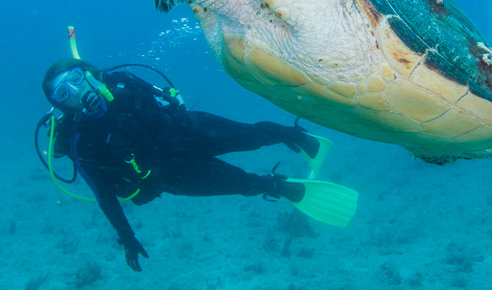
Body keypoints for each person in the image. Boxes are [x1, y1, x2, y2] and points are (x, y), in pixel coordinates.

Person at [37, 58, 356, 272]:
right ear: (61, 105)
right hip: (172, 174)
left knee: (252, 135)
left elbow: (162, 102)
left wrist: (119, 102)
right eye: (64, 93)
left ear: (87, 73)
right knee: (243, 184)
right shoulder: (82, 141)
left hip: (190, 132)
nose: (76, 91)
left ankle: (294, 135)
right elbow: (105, 195)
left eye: (76, 79)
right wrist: (127, 237)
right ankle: (279, 186)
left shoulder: (121, 82)